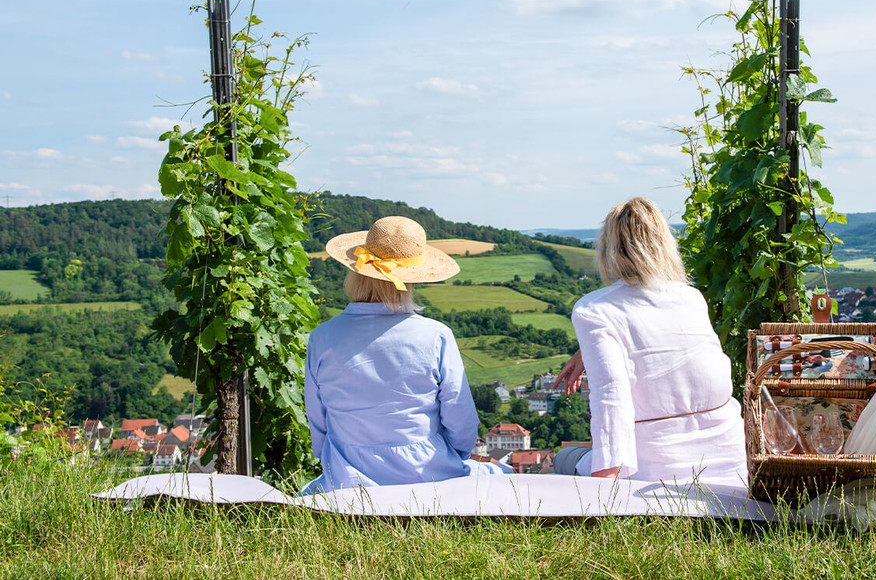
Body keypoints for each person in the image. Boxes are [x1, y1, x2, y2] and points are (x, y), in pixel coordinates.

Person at [300, 216, 508, 495]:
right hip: (427, 474)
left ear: (355, 273)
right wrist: (456, 455)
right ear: (411, 281)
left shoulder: (323, 336)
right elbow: (461, 421)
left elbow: (318, 421)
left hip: (346, 476)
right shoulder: (436, 336)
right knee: (502, 474)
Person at [553, 198, 748, 485]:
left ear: (610, 249)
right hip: (731, 460)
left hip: (653, 468)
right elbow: (664, 345)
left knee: (563, 458)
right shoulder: (690, 297)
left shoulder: (593, 309)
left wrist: (604, 490)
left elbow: (612, 397)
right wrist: (588, 351)